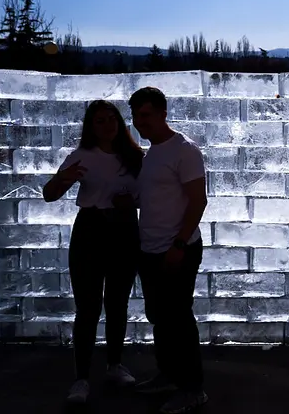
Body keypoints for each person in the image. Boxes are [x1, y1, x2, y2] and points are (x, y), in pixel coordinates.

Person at [42, 100, 143, 404]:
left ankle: (114, 365)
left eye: (112, 119)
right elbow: (49, 194)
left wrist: (132, 204)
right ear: (90, 126)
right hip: (90, 229)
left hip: (124, 230)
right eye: (100, 120)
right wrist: (64, 178)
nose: (108, 124)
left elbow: (149, 197)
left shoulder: (136, 157)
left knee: (117, 303)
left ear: (121, 123)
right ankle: (81, 379)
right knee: (87, 308)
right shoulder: (81, 156)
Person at [128, 87, 209, 413]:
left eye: (145, 115)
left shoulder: (184, 150)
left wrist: (178, 244)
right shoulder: (151, 155)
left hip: (177, 249)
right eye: (135, 116)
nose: (139, 122)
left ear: (162, 113)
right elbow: (153, 198)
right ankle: (168, 375)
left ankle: (193, 389)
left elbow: (198, 200)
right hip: (150, 249)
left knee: (178, 320)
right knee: (160, 318)